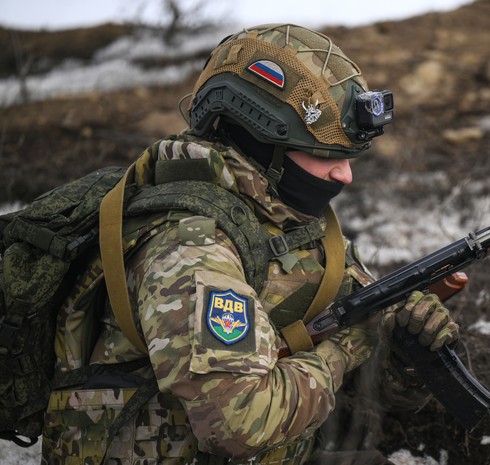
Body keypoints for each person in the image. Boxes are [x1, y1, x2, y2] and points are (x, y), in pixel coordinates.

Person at [42, 23, 460, 465]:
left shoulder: (293, 225)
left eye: (348, 158)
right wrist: (346, 348)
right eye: (326, 155)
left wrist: (406, 350)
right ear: (263, 141)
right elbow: (239, 426)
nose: (345, 177)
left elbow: (380, 393)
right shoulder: (190, 247)